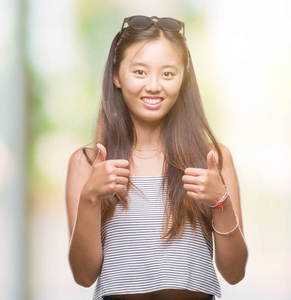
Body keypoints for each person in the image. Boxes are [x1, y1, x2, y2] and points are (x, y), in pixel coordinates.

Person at [65, 15, 248, 300]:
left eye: (167, 74)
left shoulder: (213, 158)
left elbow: (234, 272)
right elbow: (84, 275)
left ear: (183, 78)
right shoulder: (86, 163)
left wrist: (220, 201)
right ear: (116, 76)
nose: (153, 86)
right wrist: (90, 197)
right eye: (140, 72)